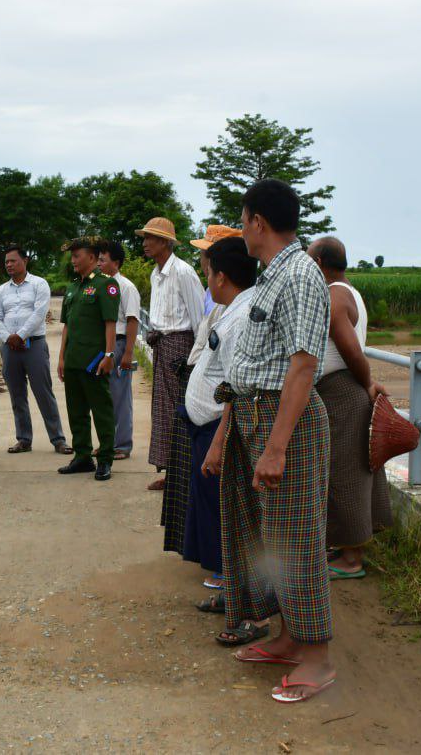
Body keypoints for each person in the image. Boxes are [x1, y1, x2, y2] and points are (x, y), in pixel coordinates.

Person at [200, 179, 335, 703]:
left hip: (286, 424)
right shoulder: (274, 276)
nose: (242, 229)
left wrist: (277, 447)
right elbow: (255, 366)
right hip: (257, 416)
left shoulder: (299, 275)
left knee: (297, 539)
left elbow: (303, 366)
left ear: (258, 222)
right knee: (269, 537)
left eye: (242, 219)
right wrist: (227, 437)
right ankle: (289, 637)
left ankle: (318, 658)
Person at [181, 237, 264, 644]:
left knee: (236, 519)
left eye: (209, 271)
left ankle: (251, 609)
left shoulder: (243, 315)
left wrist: (217, 443)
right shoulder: (232, 310)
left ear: (222, 277)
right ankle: (234, 595)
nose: (206, 279)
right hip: (208, 427)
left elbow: (235, 387)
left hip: (220, 430)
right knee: (221, 517)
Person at [308, 236, 392, 579]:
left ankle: (351, 559)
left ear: (320, 263)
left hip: (342, 391)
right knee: (345, 471)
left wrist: (367, 382)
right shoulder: (350, 292)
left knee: (345, 476)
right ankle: (344, 547)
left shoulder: (334, 295)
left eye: (310, 259)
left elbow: (351, 351)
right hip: (344, 390)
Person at [137, 216, 204, 491]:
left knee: (181, 409)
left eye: (150, 238)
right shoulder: (156, 274)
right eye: (145, 238)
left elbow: (199, 319)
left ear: (165, 242)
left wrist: (196, 360)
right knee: (164, 411)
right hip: (162, 345)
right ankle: (171, 471)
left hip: (181, 347)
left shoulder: (183, 272)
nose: (145, 243)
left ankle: (186, 473)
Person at [0, 245, 71, 455]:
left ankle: (58, 439)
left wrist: (20, 335)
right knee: (16, 395)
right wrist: (8, 338)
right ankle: (24, 439)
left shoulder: (39, 284)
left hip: (34, 345)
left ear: (25, 260)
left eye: (13, 261)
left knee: (43, 392)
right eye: (6, 262)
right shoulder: (1, 290)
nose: (9, 265)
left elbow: (39, 313)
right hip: (9, 348)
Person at [56, 237, 119, 481]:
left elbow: (110, 323)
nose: (73, 260)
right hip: (73, 361)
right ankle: (82, 456)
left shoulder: (106, 284)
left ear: (91, 257)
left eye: (77, 256)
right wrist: (61, 358)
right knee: (76, 412)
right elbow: (66, 326)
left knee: (102, 412)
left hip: (94, 361)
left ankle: (105, 459)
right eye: (72, 256)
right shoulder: (73, 287)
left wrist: (109, 355)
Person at [96, 241, 139, 461]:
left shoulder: (126, 287)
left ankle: (122, 445)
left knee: (120, 397)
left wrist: (128, 353)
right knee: (103, 398)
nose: (99, 264)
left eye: (102, 260)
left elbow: (132, 320)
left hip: (120, 344)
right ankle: (107, 443)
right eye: (98, 259)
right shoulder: (99, 285)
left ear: (116, 262)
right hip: (102, 345)